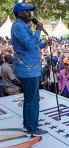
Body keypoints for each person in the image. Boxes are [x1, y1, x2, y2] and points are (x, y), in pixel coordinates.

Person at [11, 2, 51, 135]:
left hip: (29, 68)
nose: (30, 14)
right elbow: (29, 45)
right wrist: (39, 29)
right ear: (20, 13)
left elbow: (32, 47)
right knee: (33, 99)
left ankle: (28, 123)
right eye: (27, 11)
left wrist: (44, 44)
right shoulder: (19, 27)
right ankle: (32, 127)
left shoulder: (22, 26)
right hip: (28, 70)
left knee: (29, 98)